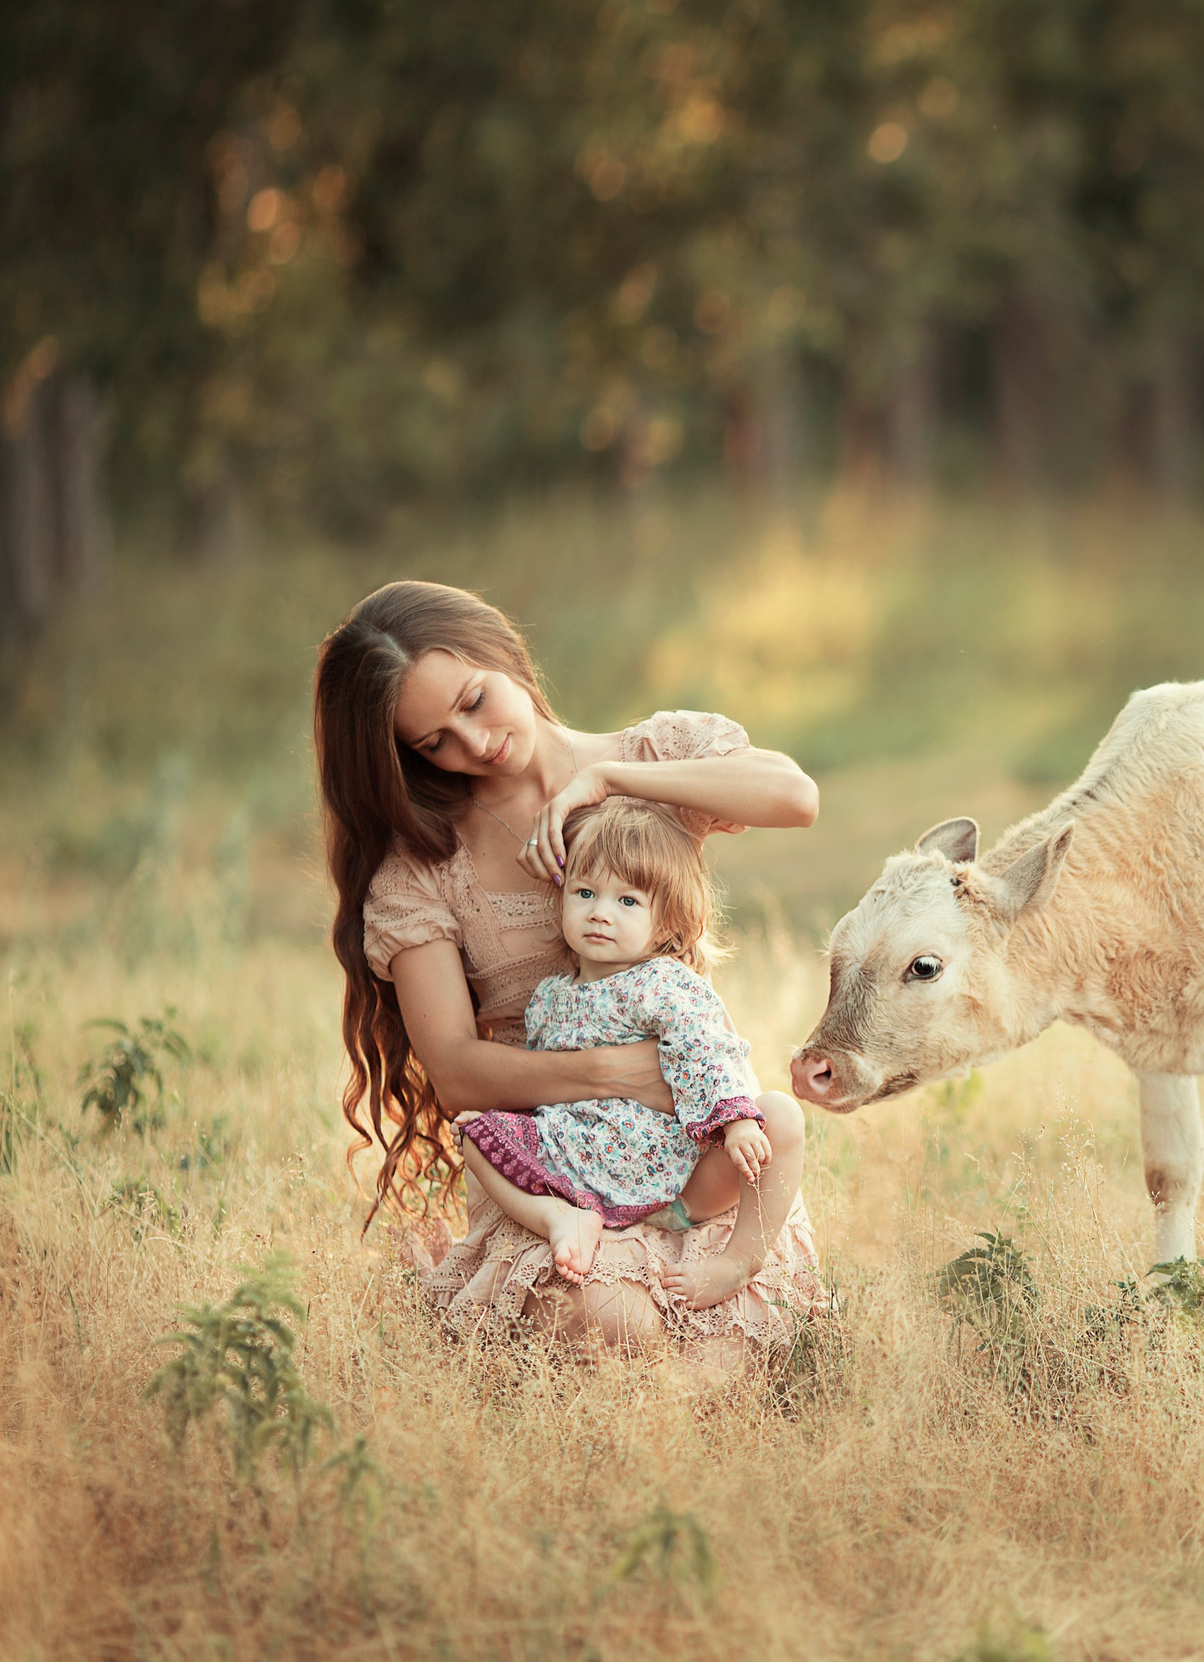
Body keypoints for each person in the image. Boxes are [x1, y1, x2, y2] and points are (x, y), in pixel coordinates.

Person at [313, 579, 824, 1377]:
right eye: (435, 742)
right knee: (615, 1322)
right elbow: (453, 1070)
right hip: (552, 1159)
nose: (474, 743)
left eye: (476, 701)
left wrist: (615, 782)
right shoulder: (423, 869)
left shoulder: (644, 755)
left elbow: (794, 796)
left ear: (504, 655)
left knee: (713, 1358)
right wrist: (609, 1074)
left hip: (690, 1142)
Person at [461, 798, 816, 1318]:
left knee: (781, 1115)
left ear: (664, 923)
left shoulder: (664, 984)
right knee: (474, 1135)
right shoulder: (550, 998)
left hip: (679, 1177)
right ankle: (557, 1218)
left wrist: (737, 1121)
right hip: (581, 1166)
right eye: (585, 893)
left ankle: (738, 1260)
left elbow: (705, 1049)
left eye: (627, 901)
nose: (600, 912)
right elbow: (545, 1089)